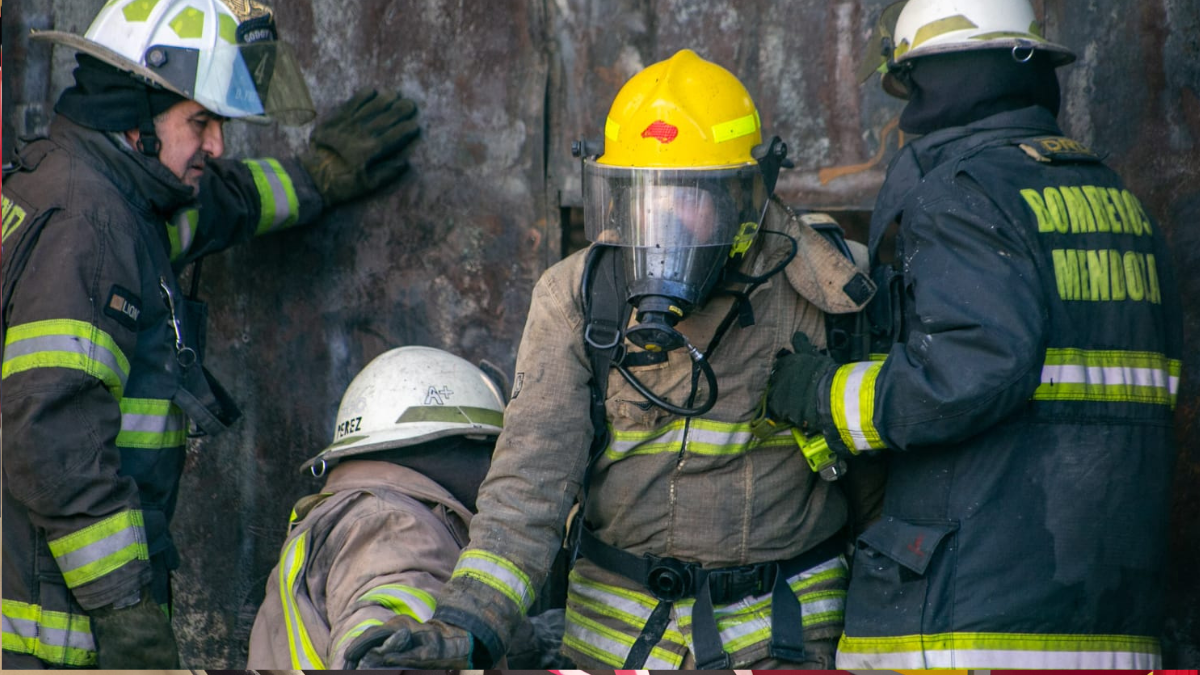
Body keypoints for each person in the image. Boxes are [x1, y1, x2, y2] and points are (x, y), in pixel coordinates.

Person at [342, 49, 878, 670]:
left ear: (747, 197)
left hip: (783, 640)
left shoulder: (830, 290)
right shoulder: (577, 296)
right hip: (617, 644)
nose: (663, 221)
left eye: (691, 196)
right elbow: (529, 488)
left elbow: (884, 490)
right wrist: (465, 625)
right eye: (644, 196)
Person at [1, 0, 420, 668]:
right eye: (201, 121)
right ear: (135, 116)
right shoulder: (87, 227)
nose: (219, 143)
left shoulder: (121, 199)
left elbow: (224, 203)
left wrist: (315, 180)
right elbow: (53, 441)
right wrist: (128, 615)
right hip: (53, 637)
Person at [765, 0, 1183, 668]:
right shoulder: (1115, 199)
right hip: (1109, 612)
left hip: (972, 613)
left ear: (929, 79)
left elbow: (972, 368)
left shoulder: (963, 191)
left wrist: (826, 395)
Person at [246, 346, 566, 670]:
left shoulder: (351, 514)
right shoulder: (395, 525)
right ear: (456, 445)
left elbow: (442, 625)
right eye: (494, 453)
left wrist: (537, 640)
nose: (496, 472)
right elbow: (388, 636)